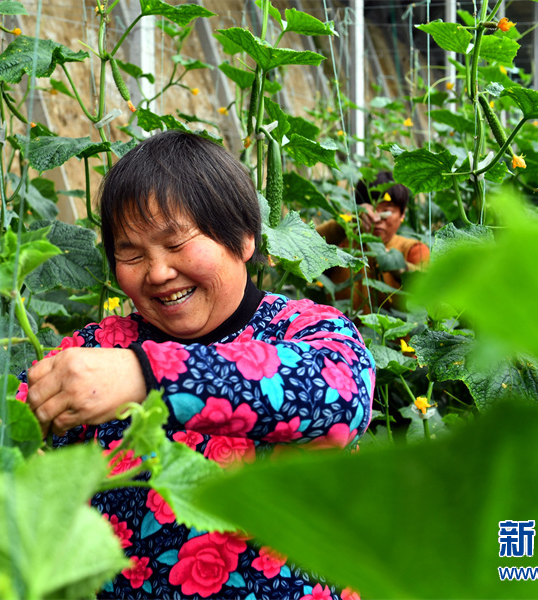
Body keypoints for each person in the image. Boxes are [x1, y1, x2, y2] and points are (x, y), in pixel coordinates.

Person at [25, 131, 375, 599]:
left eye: (176, 243)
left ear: (244, 237)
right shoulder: (96, 349)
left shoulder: (307, 329)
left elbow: (337, 399)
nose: (158, 272)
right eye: (131, 253)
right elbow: (10, 436)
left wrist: (145, 376)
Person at [317, 172, 430, 313]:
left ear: (403, 214)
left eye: (386, 212)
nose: (376, 219)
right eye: (369, 211)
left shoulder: (413, 249)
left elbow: (433, 288)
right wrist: (352, 219)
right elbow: (308, 244)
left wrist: (401, 268)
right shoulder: (343, 247)